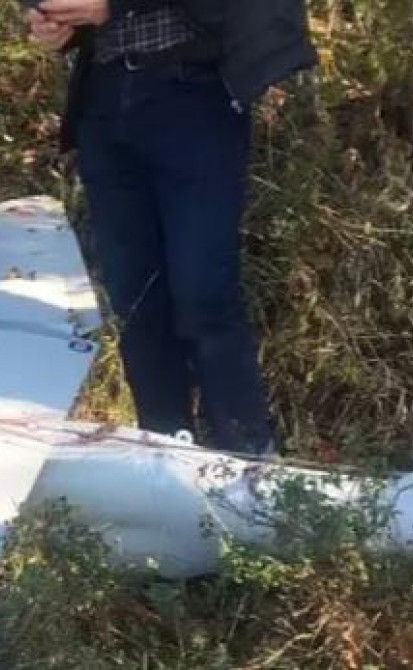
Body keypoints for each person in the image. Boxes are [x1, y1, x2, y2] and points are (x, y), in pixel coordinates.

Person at [22, 0, 316, 455]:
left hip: (193, 90)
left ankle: (250, 459)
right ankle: (163, 453)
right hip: (105, 96)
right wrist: (49, 19)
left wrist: (112, 6)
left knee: (204, 290)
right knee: (136, 298)